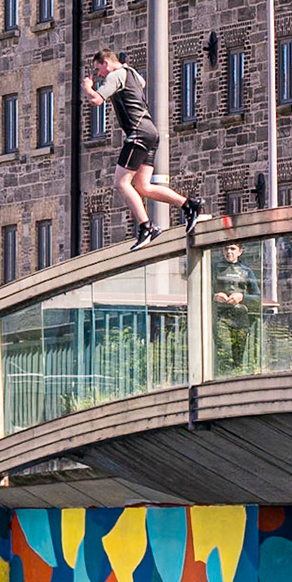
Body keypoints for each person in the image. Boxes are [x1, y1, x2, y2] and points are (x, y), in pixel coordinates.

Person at [82, 48, 202, 249]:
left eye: (98, 69)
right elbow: (142, 83)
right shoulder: (131, 74)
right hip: (150, 132)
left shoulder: (115, 75)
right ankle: (189, 204)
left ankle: (147, 226)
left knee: (121, 182)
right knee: (143, 186)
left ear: (106, 63)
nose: (98, 75)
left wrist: (88, 87)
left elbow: (97, 100)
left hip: (138, 133)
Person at [212, 240, 262, 373]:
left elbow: (257, 297)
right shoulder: (214, 268)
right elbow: (201, 290)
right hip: (221, 317)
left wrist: (242, 297)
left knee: (239, 355)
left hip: (241, 318)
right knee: (224, 352)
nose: (229, 252)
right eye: (226, 249)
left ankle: (236, 378)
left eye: (233, 249)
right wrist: (214, 296)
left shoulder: (246, 271)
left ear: (240, 251)